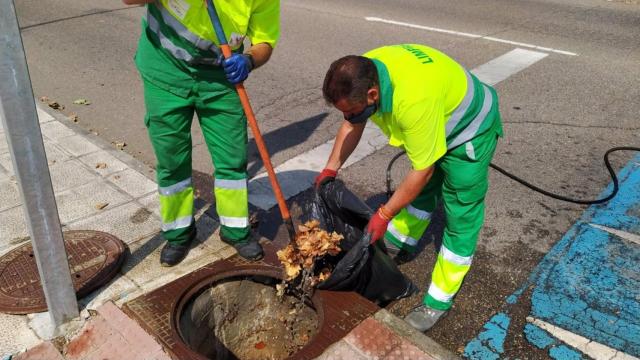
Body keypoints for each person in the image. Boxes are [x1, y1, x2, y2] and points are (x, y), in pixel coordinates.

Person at [316, 44, 503, 331]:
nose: (351, 118)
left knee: (461, 214)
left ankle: (439, 299)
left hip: (469, 131)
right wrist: (330, 168)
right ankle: (402, 242)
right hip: (434, 117)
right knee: (422, 193)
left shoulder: (412, 101)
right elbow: (352, 126)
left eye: (353, 112)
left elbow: (423, 170)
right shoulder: (367, 70)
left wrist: (384, 213)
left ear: (372, 95)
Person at [123, 0, 280, 266]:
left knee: (232, 160)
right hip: (165, 71)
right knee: (172, 161)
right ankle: (179, 232)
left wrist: (249, 60)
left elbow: (265, 42)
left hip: (221, 79)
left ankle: (236, 231)